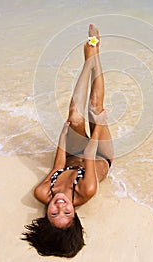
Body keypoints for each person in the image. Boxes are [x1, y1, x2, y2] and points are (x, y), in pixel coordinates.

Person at [22, 24, 113, 258]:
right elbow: (92, 154)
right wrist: (100, 124)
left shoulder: (42, 192)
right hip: (99, 154)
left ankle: (87, 64)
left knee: (73, 115)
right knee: (95, 110)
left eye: (54, 213)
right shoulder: (87, 190)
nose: (60, 205)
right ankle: (95, 54)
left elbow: (57, 167)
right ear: (75, 215)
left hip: (73, 156)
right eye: (67, 212)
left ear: (45, 215)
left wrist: (63, 137)